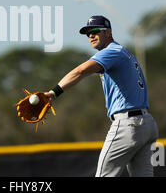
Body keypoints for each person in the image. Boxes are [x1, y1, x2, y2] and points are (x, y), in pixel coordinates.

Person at [44, 15, 159, 177]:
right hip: (147, 125)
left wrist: (53, 93)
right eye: (88, 33)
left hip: (128, 124)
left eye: (95, 30)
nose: (91, 35)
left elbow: (80, 71)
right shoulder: (124, 52)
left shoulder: (111, 52)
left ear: (109, 33)